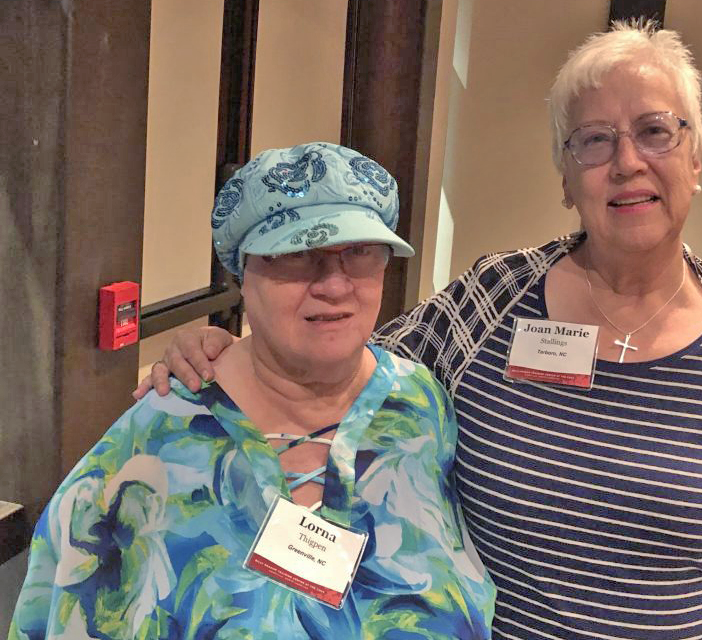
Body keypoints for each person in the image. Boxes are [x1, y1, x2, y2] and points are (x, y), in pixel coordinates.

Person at [137, 22, 702, 640]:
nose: (627, 162)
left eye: (656, 131)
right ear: (567, 179)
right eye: (593, 141)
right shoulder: (492, 302)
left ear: (696, 157)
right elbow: (346, 376)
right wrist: (230, 354)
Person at [8, 143, 495, 640]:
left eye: (359, 252)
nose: (333, 284)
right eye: (296, 253)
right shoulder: (163, 431)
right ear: (242, 274)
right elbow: (59, 602)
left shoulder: (421, 406)